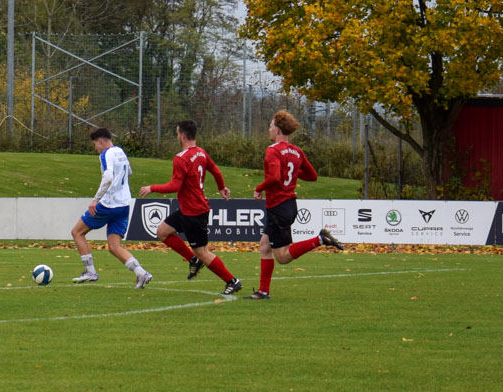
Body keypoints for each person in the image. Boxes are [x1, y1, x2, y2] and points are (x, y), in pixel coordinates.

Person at [138, 120, 242, 295]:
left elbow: (175, 186)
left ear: (183, 135)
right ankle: (193, 260)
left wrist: (152, 188)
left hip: (194, 212)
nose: (177, 137)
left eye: (177, 134)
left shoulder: (181, 158)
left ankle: (232, 281)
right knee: (162, 232)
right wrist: (221, 187)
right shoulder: (201, 153)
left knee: (203, 252)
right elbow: (216, 170)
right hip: (188, 209)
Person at [250, 109, 343, 300]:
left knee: (282, 257)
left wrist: (259, 188)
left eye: (270, 126)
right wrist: (289, 172)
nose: (269, 129)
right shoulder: (296, 151)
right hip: (288, 205)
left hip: (278, 206)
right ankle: (263, 291)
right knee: (265, 246)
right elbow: (312, 175)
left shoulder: (273, 150)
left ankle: (320, 239)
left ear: (277, 130)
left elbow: (274, 178)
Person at [70, 127, 153, 288]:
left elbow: (108, 177)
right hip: (124, 205)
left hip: (109, 204)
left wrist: (95, 200)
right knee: (114, 247)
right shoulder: (120, 151)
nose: (95, 148)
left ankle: (90, 272)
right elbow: (129, 172)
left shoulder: (105, 154)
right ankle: (141, 273)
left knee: (77, 232)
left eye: (95, 144)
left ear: (101, 141)